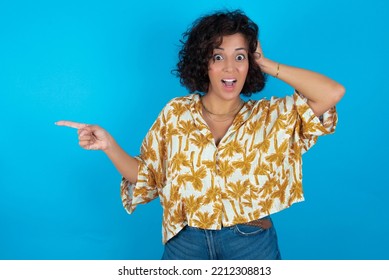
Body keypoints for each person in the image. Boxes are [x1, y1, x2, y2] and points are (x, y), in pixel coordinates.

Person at [56, 10, 345, 260]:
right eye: (218, 56)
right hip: (186, 243)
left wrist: (266, 63)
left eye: (240, 57)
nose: (230, 68)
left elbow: (332, 93)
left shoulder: (271, 116)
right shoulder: (176, 113)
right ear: (203, 62)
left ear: (250, 63)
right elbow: (147, 177)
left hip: (251, 243)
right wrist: (109, 145)